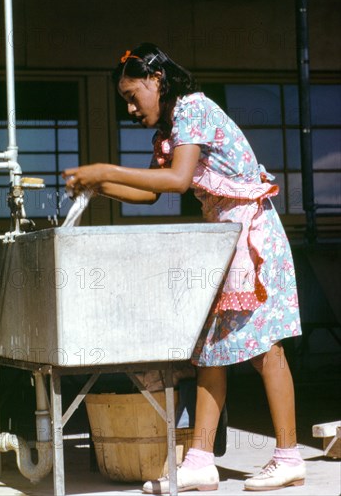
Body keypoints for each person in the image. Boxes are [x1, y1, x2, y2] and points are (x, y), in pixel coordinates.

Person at [63, 43, 305, 493]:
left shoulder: (193, 108)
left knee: (264, 347)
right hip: (223, 242)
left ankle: (289, 456)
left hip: (252, 237)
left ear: (157, 81)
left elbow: (175, 180)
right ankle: (199, 460)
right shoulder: (170, 131)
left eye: (134, 95)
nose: (131, 108)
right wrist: (103, 187)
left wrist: (102, 168)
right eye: (126, 102)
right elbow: (151, 194)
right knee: (211, 351)